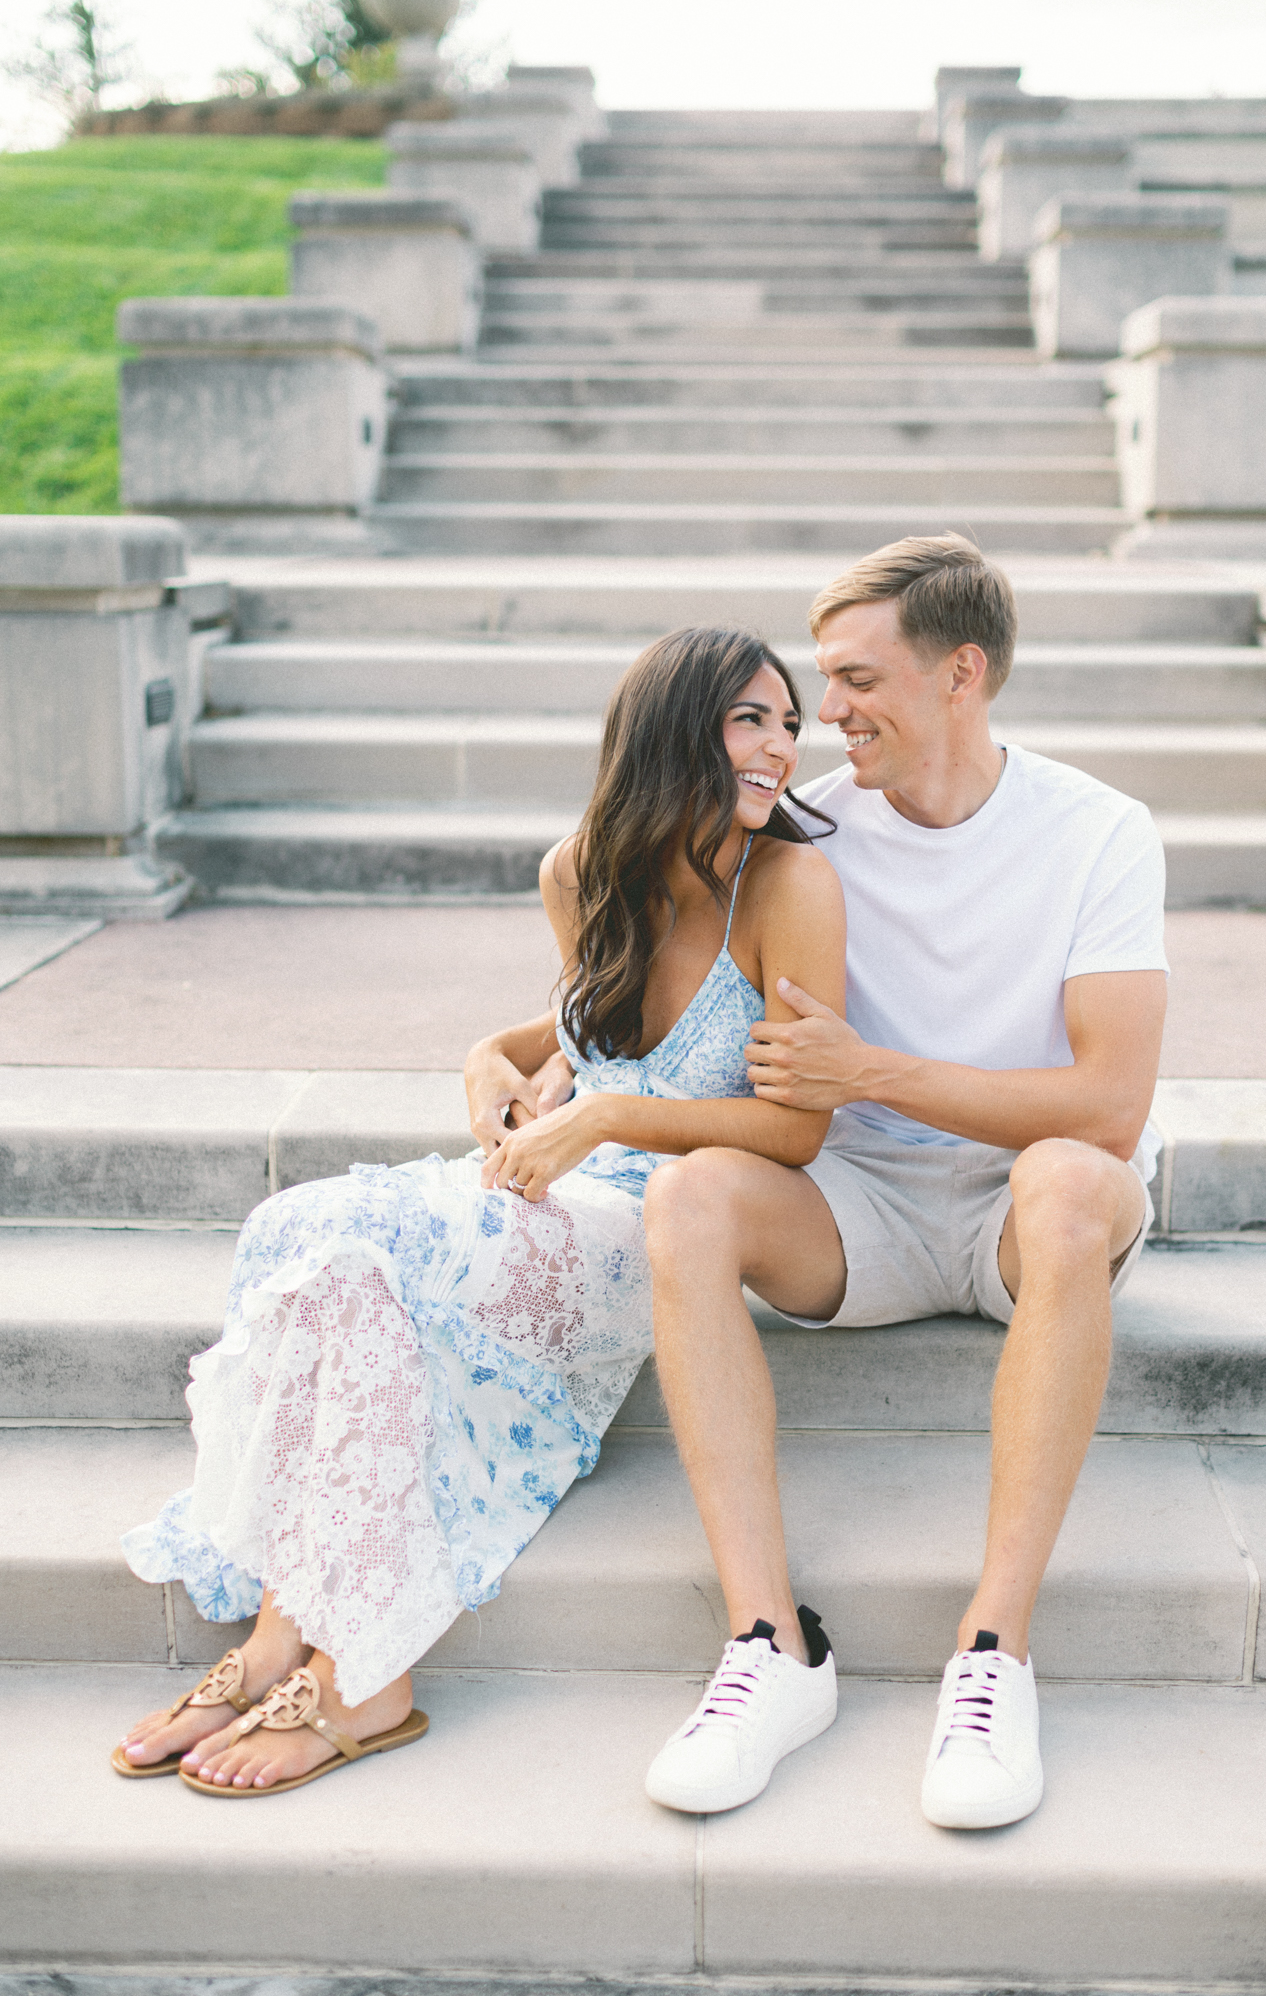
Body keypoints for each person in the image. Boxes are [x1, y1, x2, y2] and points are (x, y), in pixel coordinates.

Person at [113, 625, 846, 1798]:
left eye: (789, 721)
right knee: (300, 1235)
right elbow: (583, 1027)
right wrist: (492, 1060)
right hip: (540, 1185)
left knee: (363, 1262)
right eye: (749, 719)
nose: (782, 747)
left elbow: (796, 1132)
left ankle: (358, 1676)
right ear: (671, 731)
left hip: (658, 1218)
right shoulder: (577, 870)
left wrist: (598, 1121)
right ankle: (279, 1635)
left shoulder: (791, 884)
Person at [636, 534, 1169, 1829]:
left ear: (961, 674)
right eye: (824, 680)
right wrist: (515, 1053)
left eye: (857, 678)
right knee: (689, 1196)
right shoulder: (801, 829)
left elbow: (1108, 1104)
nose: (828, 712)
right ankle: (771, 1649)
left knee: (1066, 1180)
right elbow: (660, 987)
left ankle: (992, 1655)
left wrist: (867, 1071)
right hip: (856, 1214)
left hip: (1022, 1219)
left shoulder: (1099, 831)